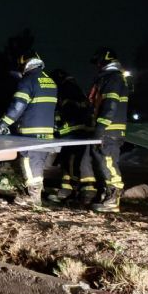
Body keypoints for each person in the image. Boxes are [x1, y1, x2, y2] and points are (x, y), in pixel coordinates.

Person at [0, 51, 57, 206]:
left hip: (30, 132)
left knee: (28, 162)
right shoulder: (50, 81)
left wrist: (3, 124)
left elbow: (18, 105)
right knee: (38, 164)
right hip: (47, 132)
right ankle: (36, 197)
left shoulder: (28, 80)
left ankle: (33, 199)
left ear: (25, 64)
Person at [87, 47, 129, 213]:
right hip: (108, 130)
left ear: (103, 61)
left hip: (109, 131)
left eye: (98, 62)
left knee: (108, 162)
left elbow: (110, 106)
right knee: (103, 163)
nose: (97, 65)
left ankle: (113, 197)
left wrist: (100, 128)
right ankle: (108, 195)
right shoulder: (110, 78)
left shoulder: (113, 79)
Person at [46, 69, 97, 204]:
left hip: (74, 133)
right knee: (72, 161)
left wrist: (58, 129)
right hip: (80, 132)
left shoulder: (66, 90)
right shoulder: (74, 89)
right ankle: (71, 191)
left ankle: (84, 192)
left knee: (74, 161)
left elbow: (67, 113)